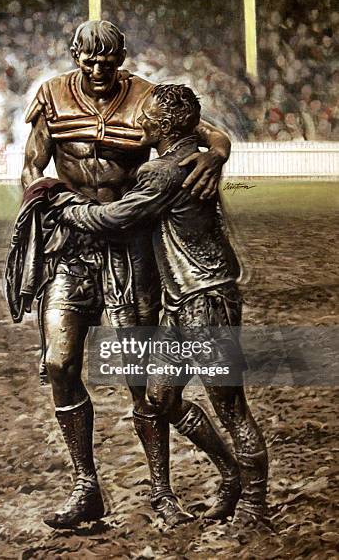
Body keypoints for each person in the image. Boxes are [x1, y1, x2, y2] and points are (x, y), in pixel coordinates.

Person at [21, 20, 232, 528]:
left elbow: (211, 134)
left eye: (108, 59)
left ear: (121, 57)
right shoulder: (50, 96)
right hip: (70, 247)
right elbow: (32, 166)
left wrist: (218, 155)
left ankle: (163, 491)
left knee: (140, 378)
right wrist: (44, 195)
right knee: (59, 364)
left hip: (131, 251)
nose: (98, 69)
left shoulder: (147, 97)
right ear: (74, 55)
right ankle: (85, 487)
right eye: (88, 60)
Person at [61, 84, 269, 527]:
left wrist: (66, 209)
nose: (140, 122)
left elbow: (117, 218)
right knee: (160, 400)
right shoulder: (190, 159)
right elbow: (207, 136)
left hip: (205, 298)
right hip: (182, 301)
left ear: (168, 125)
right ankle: (231, 476)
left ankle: (254, 504)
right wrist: (217, 150)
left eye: (148, 118)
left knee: (231, 408)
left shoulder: (161, 172)